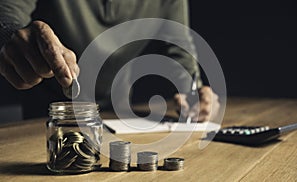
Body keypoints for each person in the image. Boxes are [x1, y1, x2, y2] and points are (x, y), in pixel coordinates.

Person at [0, 0, 219, 122]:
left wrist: (195, 95)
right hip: (46, 118)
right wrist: (11, 37)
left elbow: (180, 50)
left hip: (119, 115)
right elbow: (7, 15)